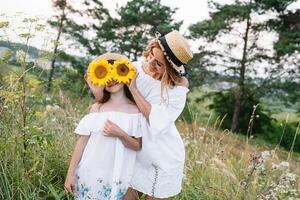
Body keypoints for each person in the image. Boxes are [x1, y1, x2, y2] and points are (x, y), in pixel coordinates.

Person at [64, 53, 145, 200]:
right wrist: (70, 174)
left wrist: (121, 134)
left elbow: (137, 145)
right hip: (90, 172)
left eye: (116, 72)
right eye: (105, 74)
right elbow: (82, 142)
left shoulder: (135, 110)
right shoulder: (97, 108)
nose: (111, 79)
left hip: (116, 175)